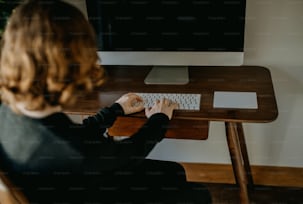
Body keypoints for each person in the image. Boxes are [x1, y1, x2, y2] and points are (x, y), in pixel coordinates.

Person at [0, 0, 212, 203]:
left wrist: (114, 110)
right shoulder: (77, 151)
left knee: (173, 171)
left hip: (71, 184)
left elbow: (75, 137)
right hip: (93, 191)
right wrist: (159, 119)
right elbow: (129, 153)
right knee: (198, 194)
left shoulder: (9, 112)